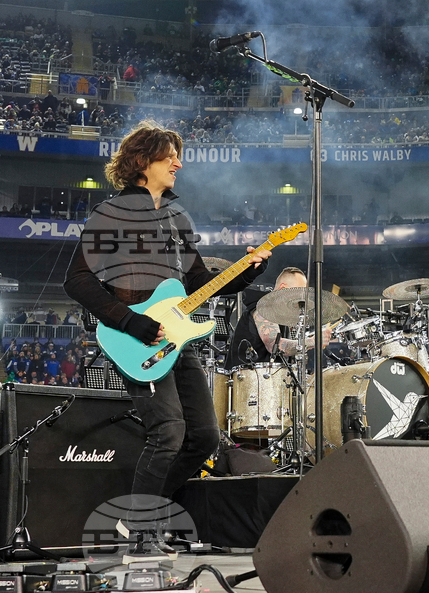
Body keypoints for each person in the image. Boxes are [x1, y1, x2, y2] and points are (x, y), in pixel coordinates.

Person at [64, 122, 271, 557]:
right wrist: (129, 322)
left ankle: (144, 515)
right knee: (169, 432)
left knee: (205, 438)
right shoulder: (113, 213)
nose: (178, 163)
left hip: (177, 340)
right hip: (135, 339)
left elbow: (201, 282)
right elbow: (77, 280)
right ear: (143, 161)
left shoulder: (179, 217)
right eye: (169, 156)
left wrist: (248, 271)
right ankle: (140, 533)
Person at [226, 266, 332, 370]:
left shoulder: (281, 316)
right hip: (248, 382)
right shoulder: (264, 308)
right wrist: (313, 341)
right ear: (282, 288)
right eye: (298, 292)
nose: (301, 298)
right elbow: (275, 346)